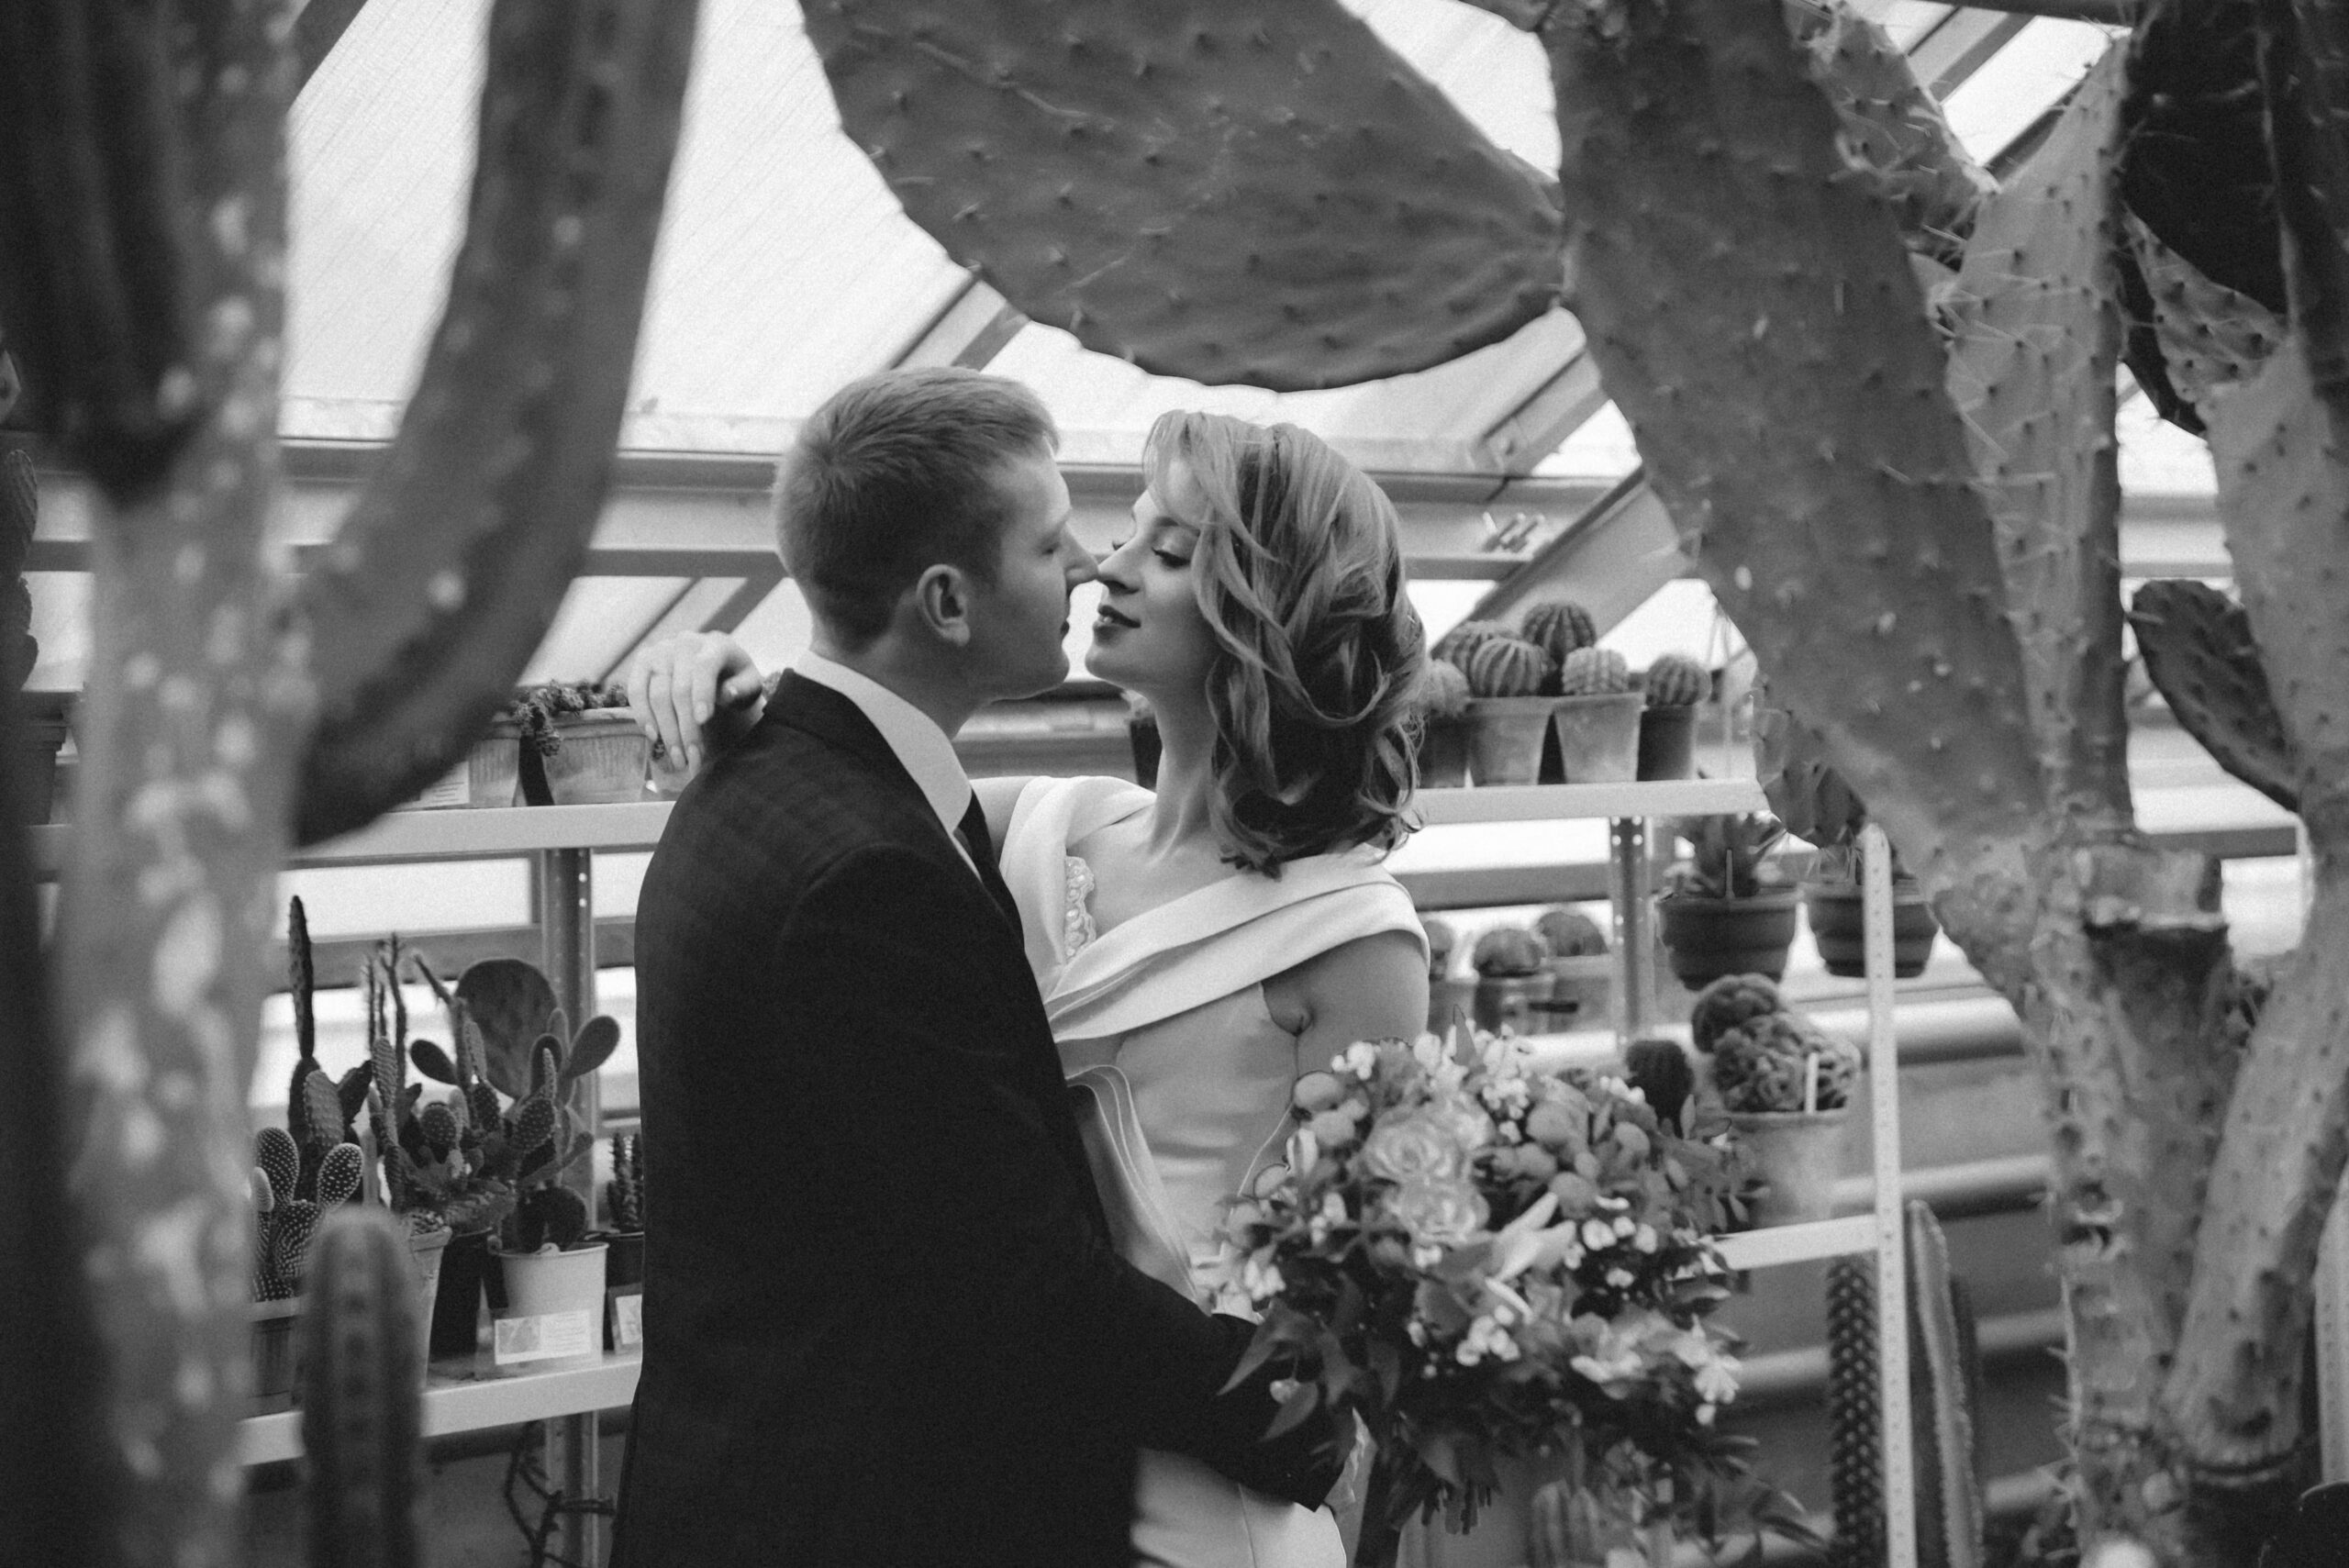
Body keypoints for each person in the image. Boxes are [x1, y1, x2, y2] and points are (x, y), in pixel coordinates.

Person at [629, 409, 1432, 1568]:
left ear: (1269, 617)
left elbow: (1356, 1304)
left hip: (1204, 1475)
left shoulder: (1354, 939)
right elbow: (837, 781)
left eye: (1166, 549)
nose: (1104, 564)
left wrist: (1311, 1436)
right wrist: (713, 669)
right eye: (1115, 532)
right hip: (1022, 1460)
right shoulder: (1032, 829)